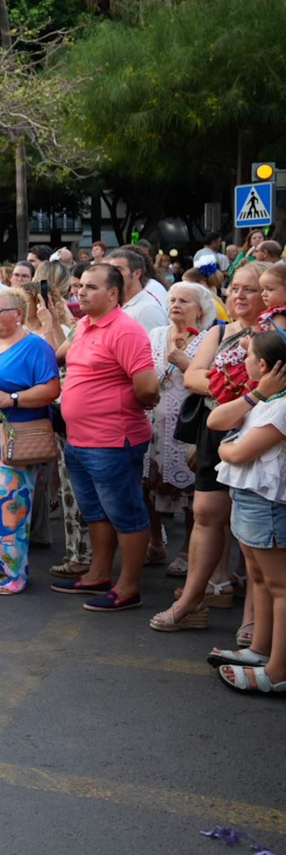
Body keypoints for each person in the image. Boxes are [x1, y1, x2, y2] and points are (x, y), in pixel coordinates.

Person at [159, 264, 267, 633]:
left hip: (260, 433)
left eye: (249, 290)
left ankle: (253, 618)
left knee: (252, 528)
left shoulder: (275, 333)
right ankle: (193, 600)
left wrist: (217, 383)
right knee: (205, 514)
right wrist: (237, 387)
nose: (238, 295)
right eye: (234, 288)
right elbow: (191, 376)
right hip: (214, 431)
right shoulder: (219, 330)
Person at [51, 264, 159, 613]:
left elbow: (147, 387)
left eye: (91, 287)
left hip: (114, 440)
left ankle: (128, 587)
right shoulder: (84, 325)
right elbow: (58, 355)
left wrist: (122, 404)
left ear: (113, 293)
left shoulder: (126, 330)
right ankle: (98, 575)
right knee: (96, 512)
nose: (80, 292)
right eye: (79, 285)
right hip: (80, 439)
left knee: (126, 514)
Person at [0, 289, 61, 594]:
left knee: (11, 504)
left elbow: (52, 388)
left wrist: (13, 398)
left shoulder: (34, 346)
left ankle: (12, 572)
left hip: (16, 438)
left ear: (18, 314)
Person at [205, 330, 286, 693]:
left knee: (280, 587)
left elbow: (236, 452)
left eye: (249, 356)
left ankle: (278, 670)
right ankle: (260, 650)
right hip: (250, 500)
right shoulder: (265, 399)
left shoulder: (282, 407)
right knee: (260, 579)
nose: (243, 362)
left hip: (267, 506)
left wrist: (227, 448)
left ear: (265, 365)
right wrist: (255, 394)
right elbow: (216, 422)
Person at [144, 282, 216, 628]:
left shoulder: (208, 339)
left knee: (190, 493)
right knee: (152, 483)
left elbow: (211, 382)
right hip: (156, 421)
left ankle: (187, 551)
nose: (175, 304)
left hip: (188, 425)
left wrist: (185, 362)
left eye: (183, 300)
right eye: (172, 299)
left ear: (199, 308)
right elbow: (148, 373)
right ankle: (156, 542)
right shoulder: (157, 334)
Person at [108, 248, 164, 334]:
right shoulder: (114, 303)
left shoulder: (148, 309)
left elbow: (155, 346)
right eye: (110, 270)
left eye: (118, 270)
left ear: (137, 273)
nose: (112, 275)